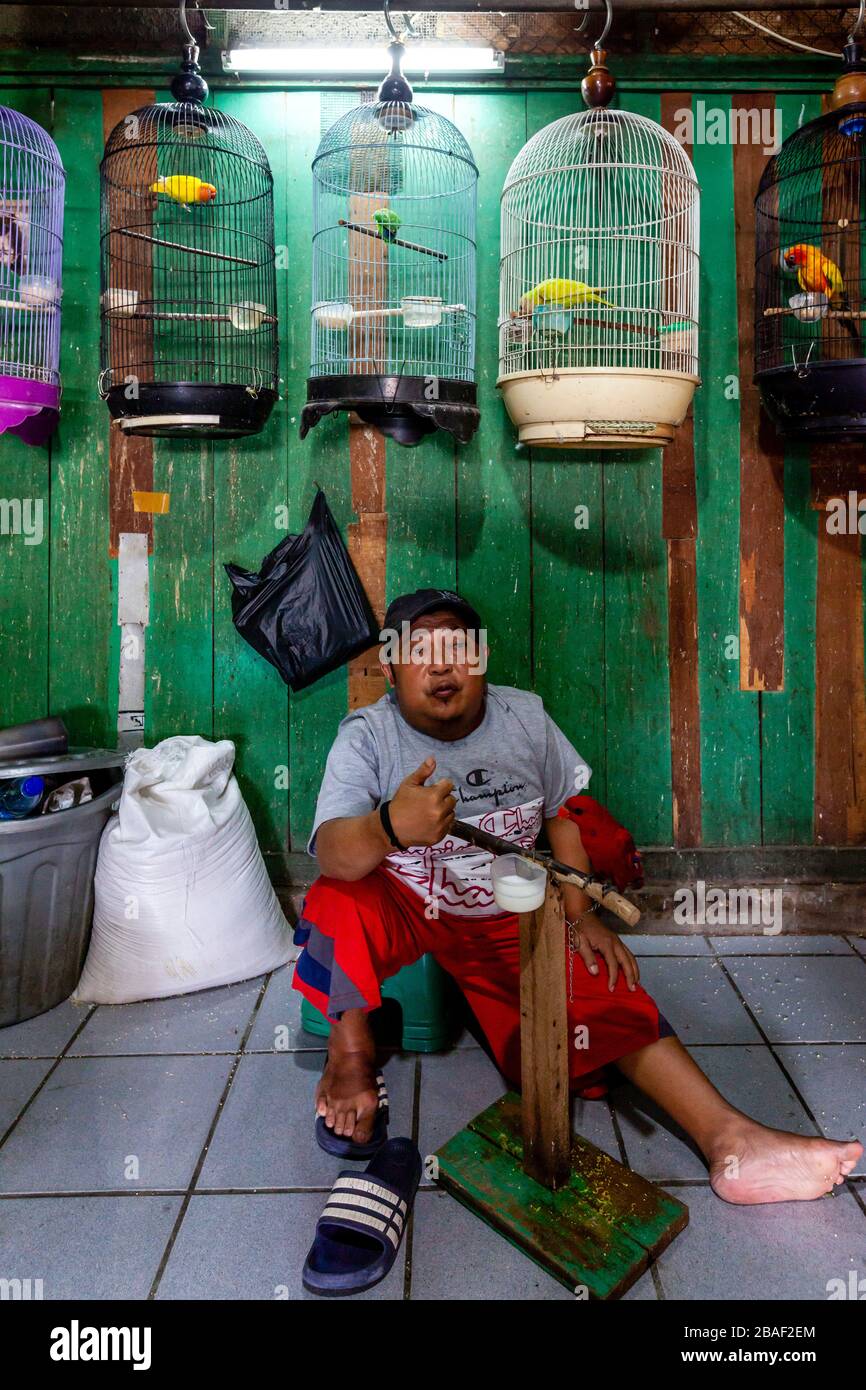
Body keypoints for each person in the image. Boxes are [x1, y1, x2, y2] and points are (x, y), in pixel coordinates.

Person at [293, 588, 862, 1204]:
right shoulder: (369, 736)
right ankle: (350, 1052)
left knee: (592, 1004)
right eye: (419, 650)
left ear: (482, 660)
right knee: (335, 898)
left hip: (505, 915)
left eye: (458, 647)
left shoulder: (525, 720)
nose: (440, 664)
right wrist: (387, 826)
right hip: (407, 901)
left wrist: (582, 914)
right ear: (392, 667)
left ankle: (732, 1141)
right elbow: (332, 851)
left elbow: (566, 815)